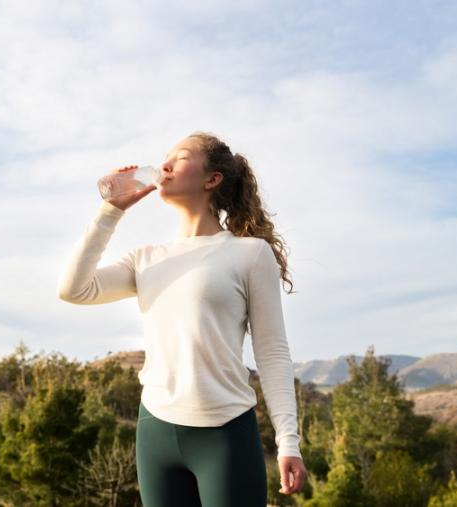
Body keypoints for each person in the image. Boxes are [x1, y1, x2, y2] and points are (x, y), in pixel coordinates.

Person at [58, 131, 307, 506]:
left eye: (182, 156)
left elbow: (271, 351)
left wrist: (288, 439)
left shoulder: (250, 254)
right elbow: (74, 289)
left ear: (212, 179)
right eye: (166, 156)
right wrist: (111, 211)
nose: (166, 164)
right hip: (156, 429)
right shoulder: (146, 258)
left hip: (225, 434)